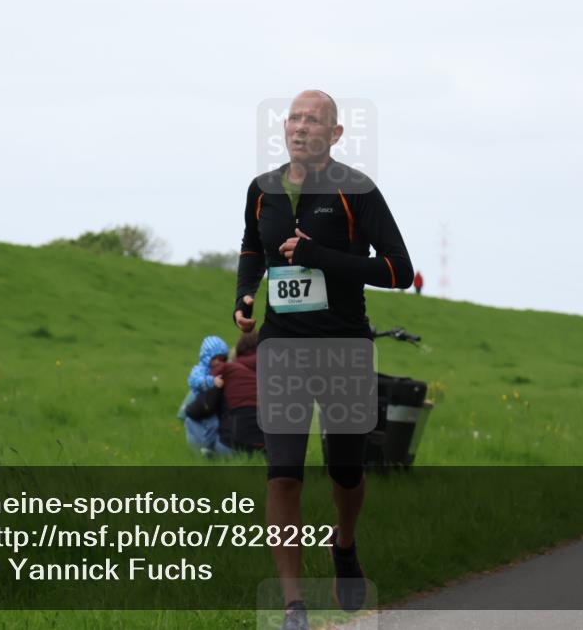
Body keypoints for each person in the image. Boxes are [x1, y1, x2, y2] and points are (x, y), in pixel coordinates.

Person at [233, 90, 413, 629]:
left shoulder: (357, 190)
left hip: (343, 347)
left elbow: (397, 271)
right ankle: (293, 607)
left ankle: (345, 545)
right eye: (294, 117)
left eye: (314, 120)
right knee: (282, 474)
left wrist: (320, 256)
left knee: (345, 470)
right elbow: (250, 248)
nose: (301, 126)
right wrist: (245, 295)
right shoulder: (262, 190)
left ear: (335, 134)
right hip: (282, 347)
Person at [177, 335, 232, 457]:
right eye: (216, 359)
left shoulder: (219, 369)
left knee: (215, 424)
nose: (219, 362)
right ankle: (206, 447)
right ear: (207, 357)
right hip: (202, 402)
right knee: (210, 424)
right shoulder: (200, 370)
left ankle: (210, 448)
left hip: (212, 404)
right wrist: (211, 381)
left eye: (222, 359)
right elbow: (194, 381)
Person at [210, 331, 264, 453]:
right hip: (269, 452)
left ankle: (205, 455)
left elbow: (204, 405)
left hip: (232, 446)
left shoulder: (229, 369)